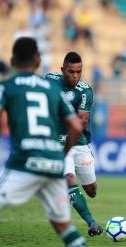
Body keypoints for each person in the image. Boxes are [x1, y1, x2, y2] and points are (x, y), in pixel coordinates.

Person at [0, 37, 93, 247]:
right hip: (53, 162)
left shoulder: (7, 87)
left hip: (26, 161)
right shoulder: (51, 89)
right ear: (38, 61)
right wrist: (63, 154)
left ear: (12, 61)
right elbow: (75, 125)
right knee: (64, 227)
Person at [45, 52, 103, 236]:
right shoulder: (50, 80)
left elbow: (82, 121)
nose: (75, 76)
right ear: (63, 70)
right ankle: (92, 223)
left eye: (79, 72)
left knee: (91, 190)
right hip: (57, 143)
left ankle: (87, 190)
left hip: (78, 142)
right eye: (71, 72)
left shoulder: (85, 90)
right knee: (69, 179)